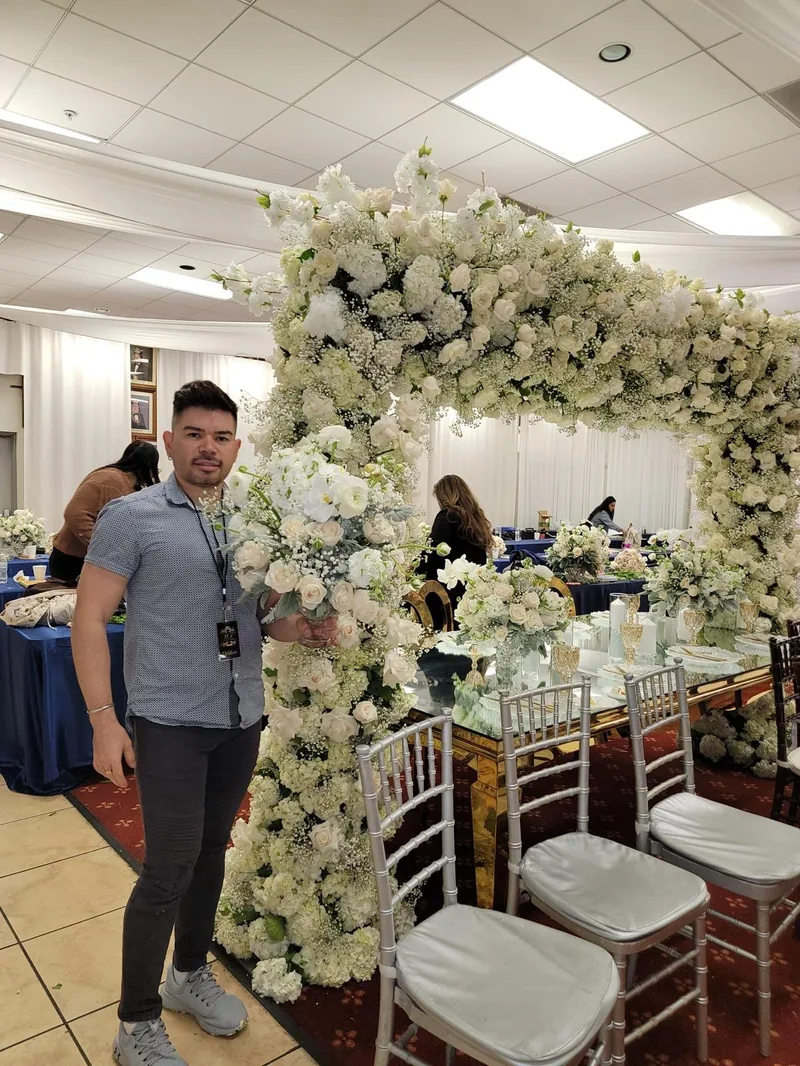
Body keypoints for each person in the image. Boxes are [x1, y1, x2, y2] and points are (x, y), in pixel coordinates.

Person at [71, 380, 337, 1066]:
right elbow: (89, 618)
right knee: (166, 870)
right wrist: (104, 720)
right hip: (167, 721)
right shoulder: (131, 516)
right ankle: (135, 1023)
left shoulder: (251, 519)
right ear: (169, 441)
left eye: (221, 437)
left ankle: (188, 975)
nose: (208, 448)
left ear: (237, 446)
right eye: (194, 434)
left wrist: (301, 628)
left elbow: (260, 620)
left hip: (239, 715)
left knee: (212, 852)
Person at [50, 442, 160, 584]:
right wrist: (101, 545)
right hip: (73, 559)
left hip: (92, 558)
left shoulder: (127, 484)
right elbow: (74, 514)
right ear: (148, 466)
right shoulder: (109, 479)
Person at [424, 474, 493, 613]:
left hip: (447, 592)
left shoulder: (446, 517)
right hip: (471, 589)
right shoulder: (476, 518)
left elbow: (431, 552)